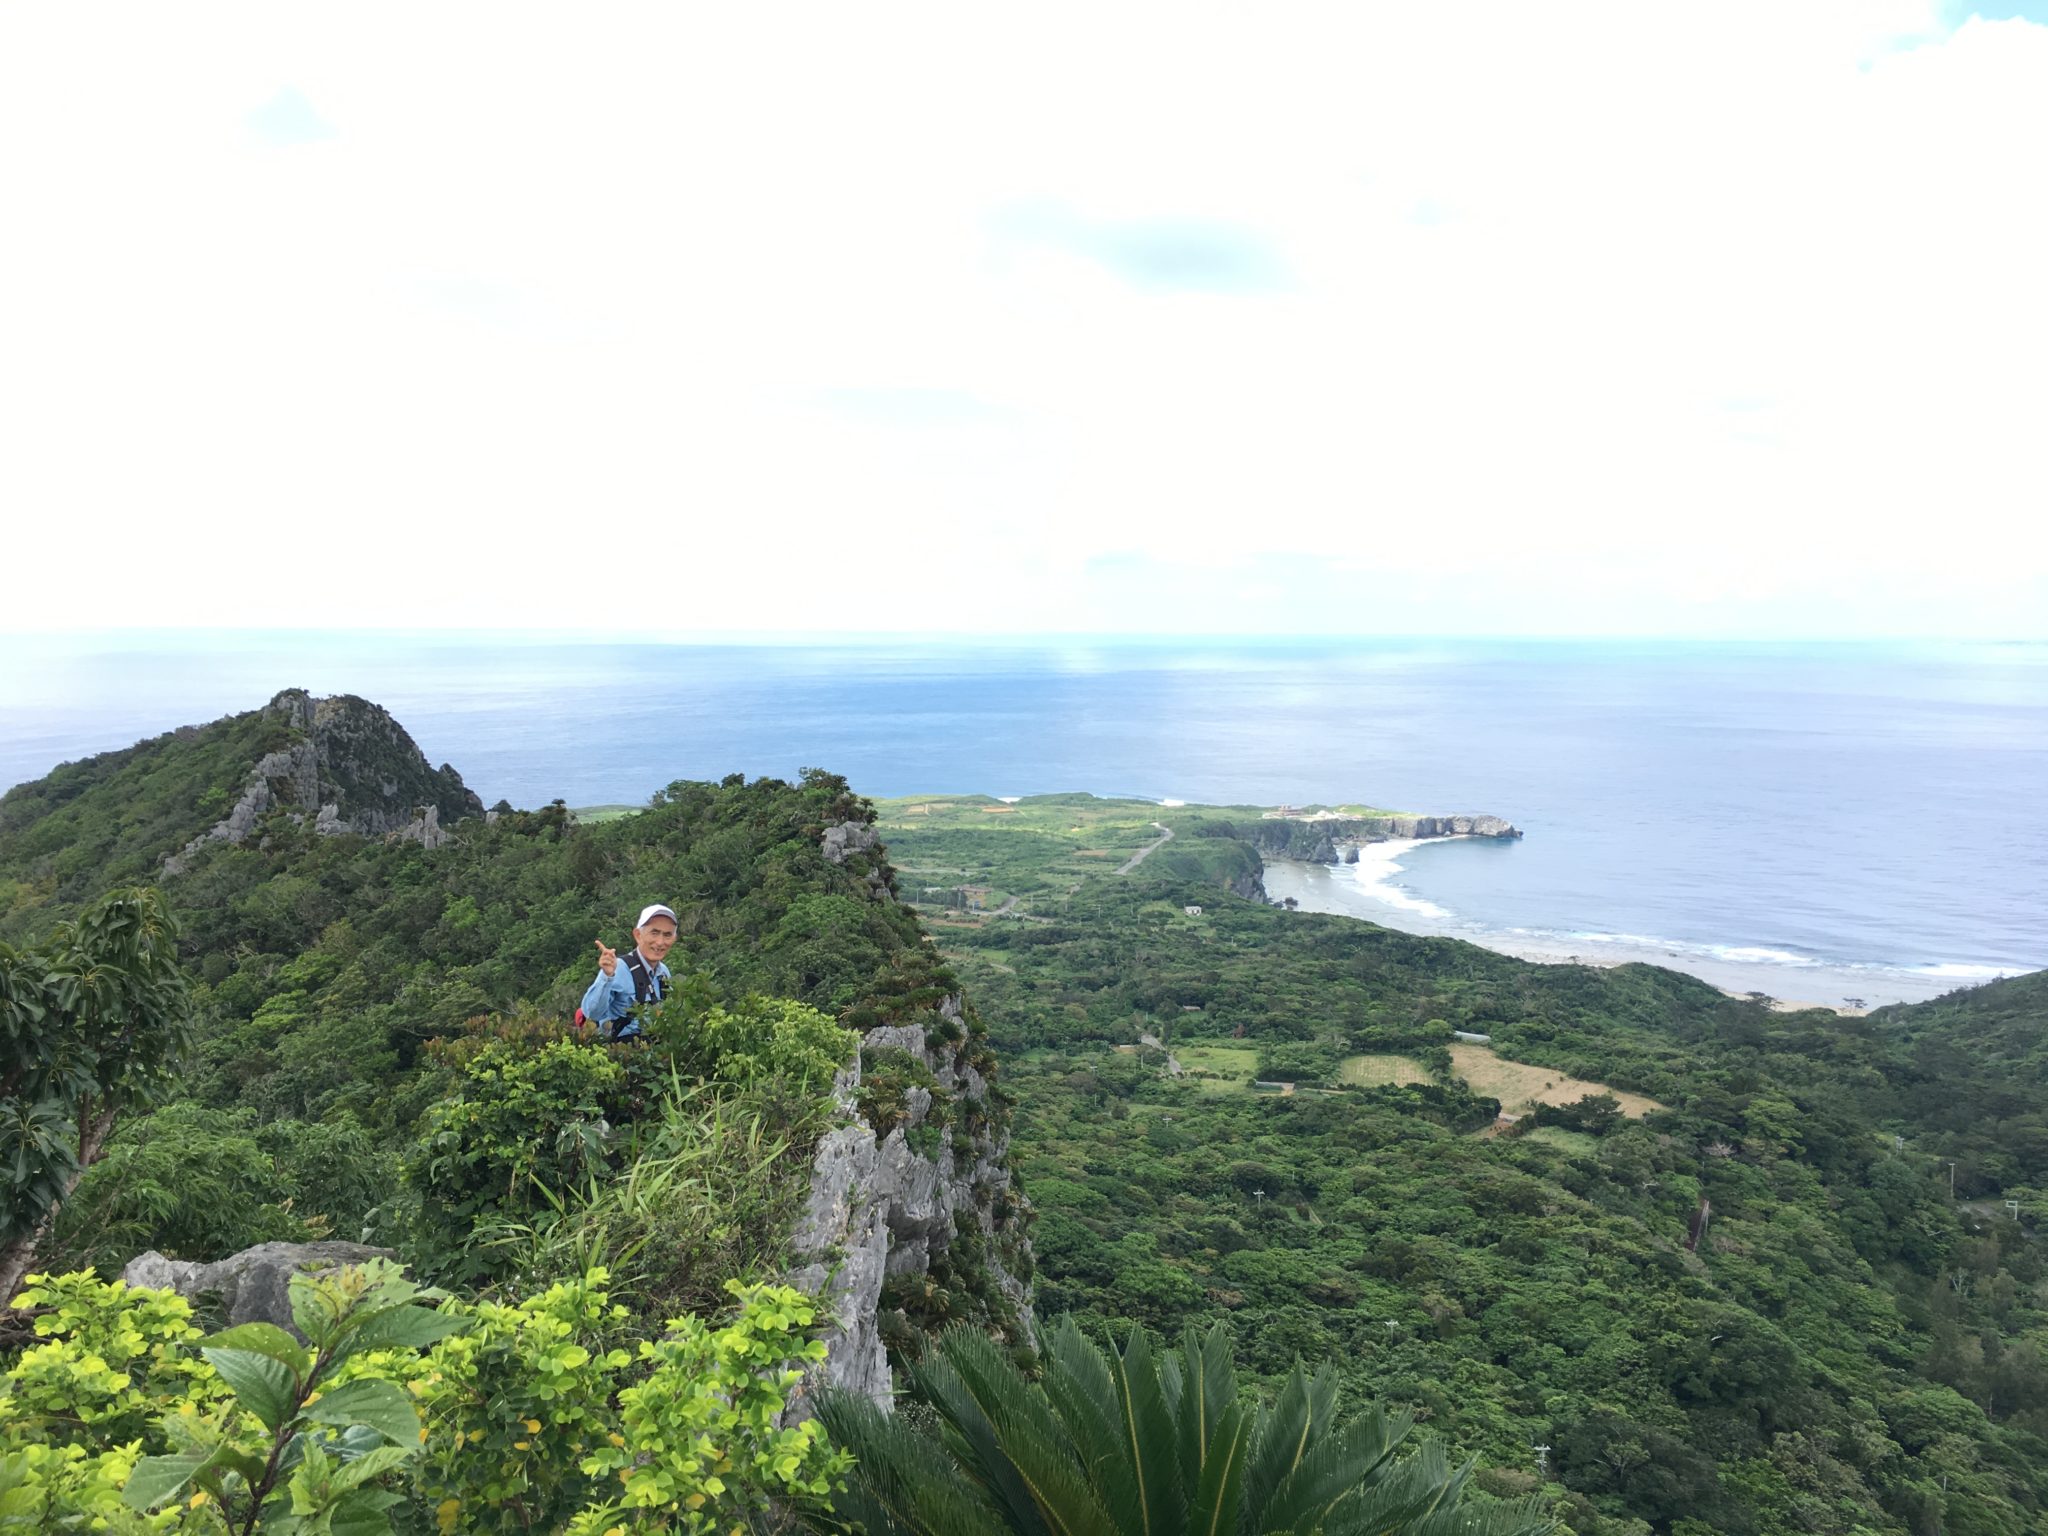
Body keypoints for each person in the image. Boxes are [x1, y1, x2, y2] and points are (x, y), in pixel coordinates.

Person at [581, 903, 678, 1040]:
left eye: (667, 935)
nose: (660, 942)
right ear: (638, 935)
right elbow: (592, 1013)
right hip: (619, 1054)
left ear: (674, 939)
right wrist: (607, 976)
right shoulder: (620, 968)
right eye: (654, 933)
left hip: (654, 1052)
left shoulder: (663, 973)